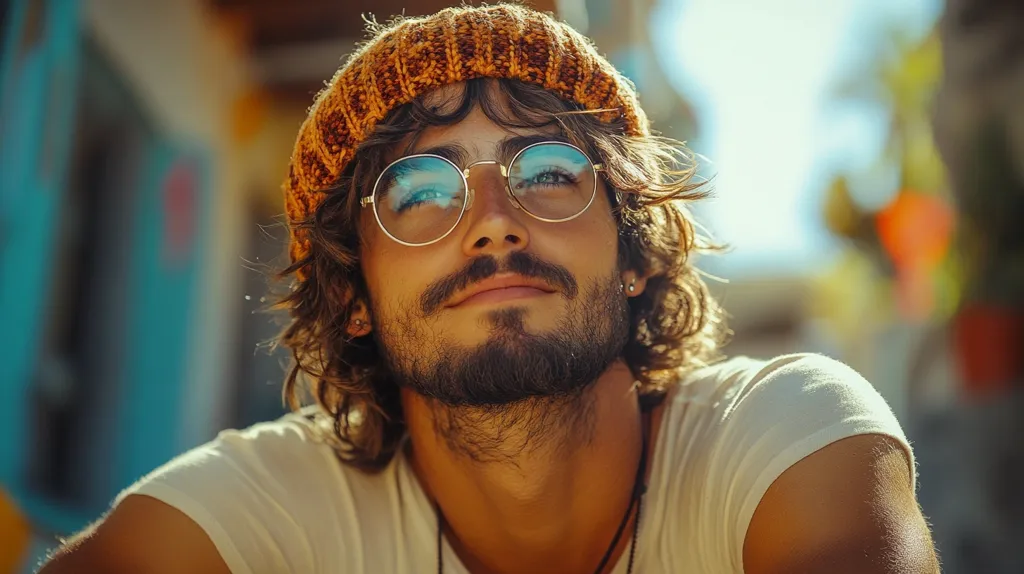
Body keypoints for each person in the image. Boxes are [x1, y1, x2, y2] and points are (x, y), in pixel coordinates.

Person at [40, 4, 939, 573]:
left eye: (547, 172)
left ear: (632, 250)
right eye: (420, 193)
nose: (493, 222)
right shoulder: (273, 511)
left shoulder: (784, 434)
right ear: (353, 294)